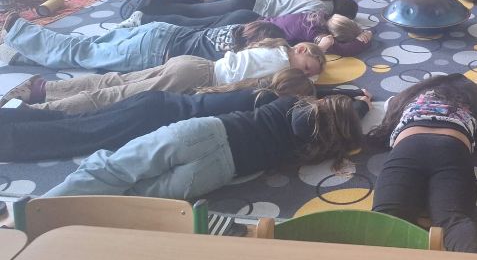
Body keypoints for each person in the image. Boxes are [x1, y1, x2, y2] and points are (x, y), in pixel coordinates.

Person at [42, 93, 369, 200]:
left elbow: (318, 113)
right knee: (134, 198)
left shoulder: (296, 106)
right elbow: (340, 118)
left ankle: (39, 210)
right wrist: (360, 109)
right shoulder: (317, 148)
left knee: (114, 169)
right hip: (220, 171)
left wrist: (359, 102)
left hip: (206, 133)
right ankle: (70, 223)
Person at [0, 68, 317, 161]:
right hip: (150, 118)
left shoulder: (257, 88)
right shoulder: (265, 103)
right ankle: (9, 139)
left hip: (154, 104)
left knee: (79, 122)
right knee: (79, 135)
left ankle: (12, 117)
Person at [366, 74, 477, 254]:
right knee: (453, 220)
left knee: (387, 217)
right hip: (452, 147)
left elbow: (388, 106)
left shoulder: (410, 98)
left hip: (409, 146)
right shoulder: (471, 102)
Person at [1, 39, 326, 113]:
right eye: (306, 67)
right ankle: (39, 111)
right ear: (300, 49)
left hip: (194, 64)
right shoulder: (281, 60)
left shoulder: (273, 45)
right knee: (118, 95)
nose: (304, 74)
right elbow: (289, 83)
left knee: (115, 81)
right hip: (197, 77)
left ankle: (43, 88)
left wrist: (320, 47)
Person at [0, 12, 286, 72]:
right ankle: (20, 30)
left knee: (93, 42)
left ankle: (19, 53)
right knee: (84, 53)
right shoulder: (240, 57)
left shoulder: (239, 27)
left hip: (161, 29)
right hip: (153, 52)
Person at [116, 0, 358, 28]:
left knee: (203, 3)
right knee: (195, 12)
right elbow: (297, 23)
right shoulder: (321, 12)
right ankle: (147, 11)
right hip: (249, 5)